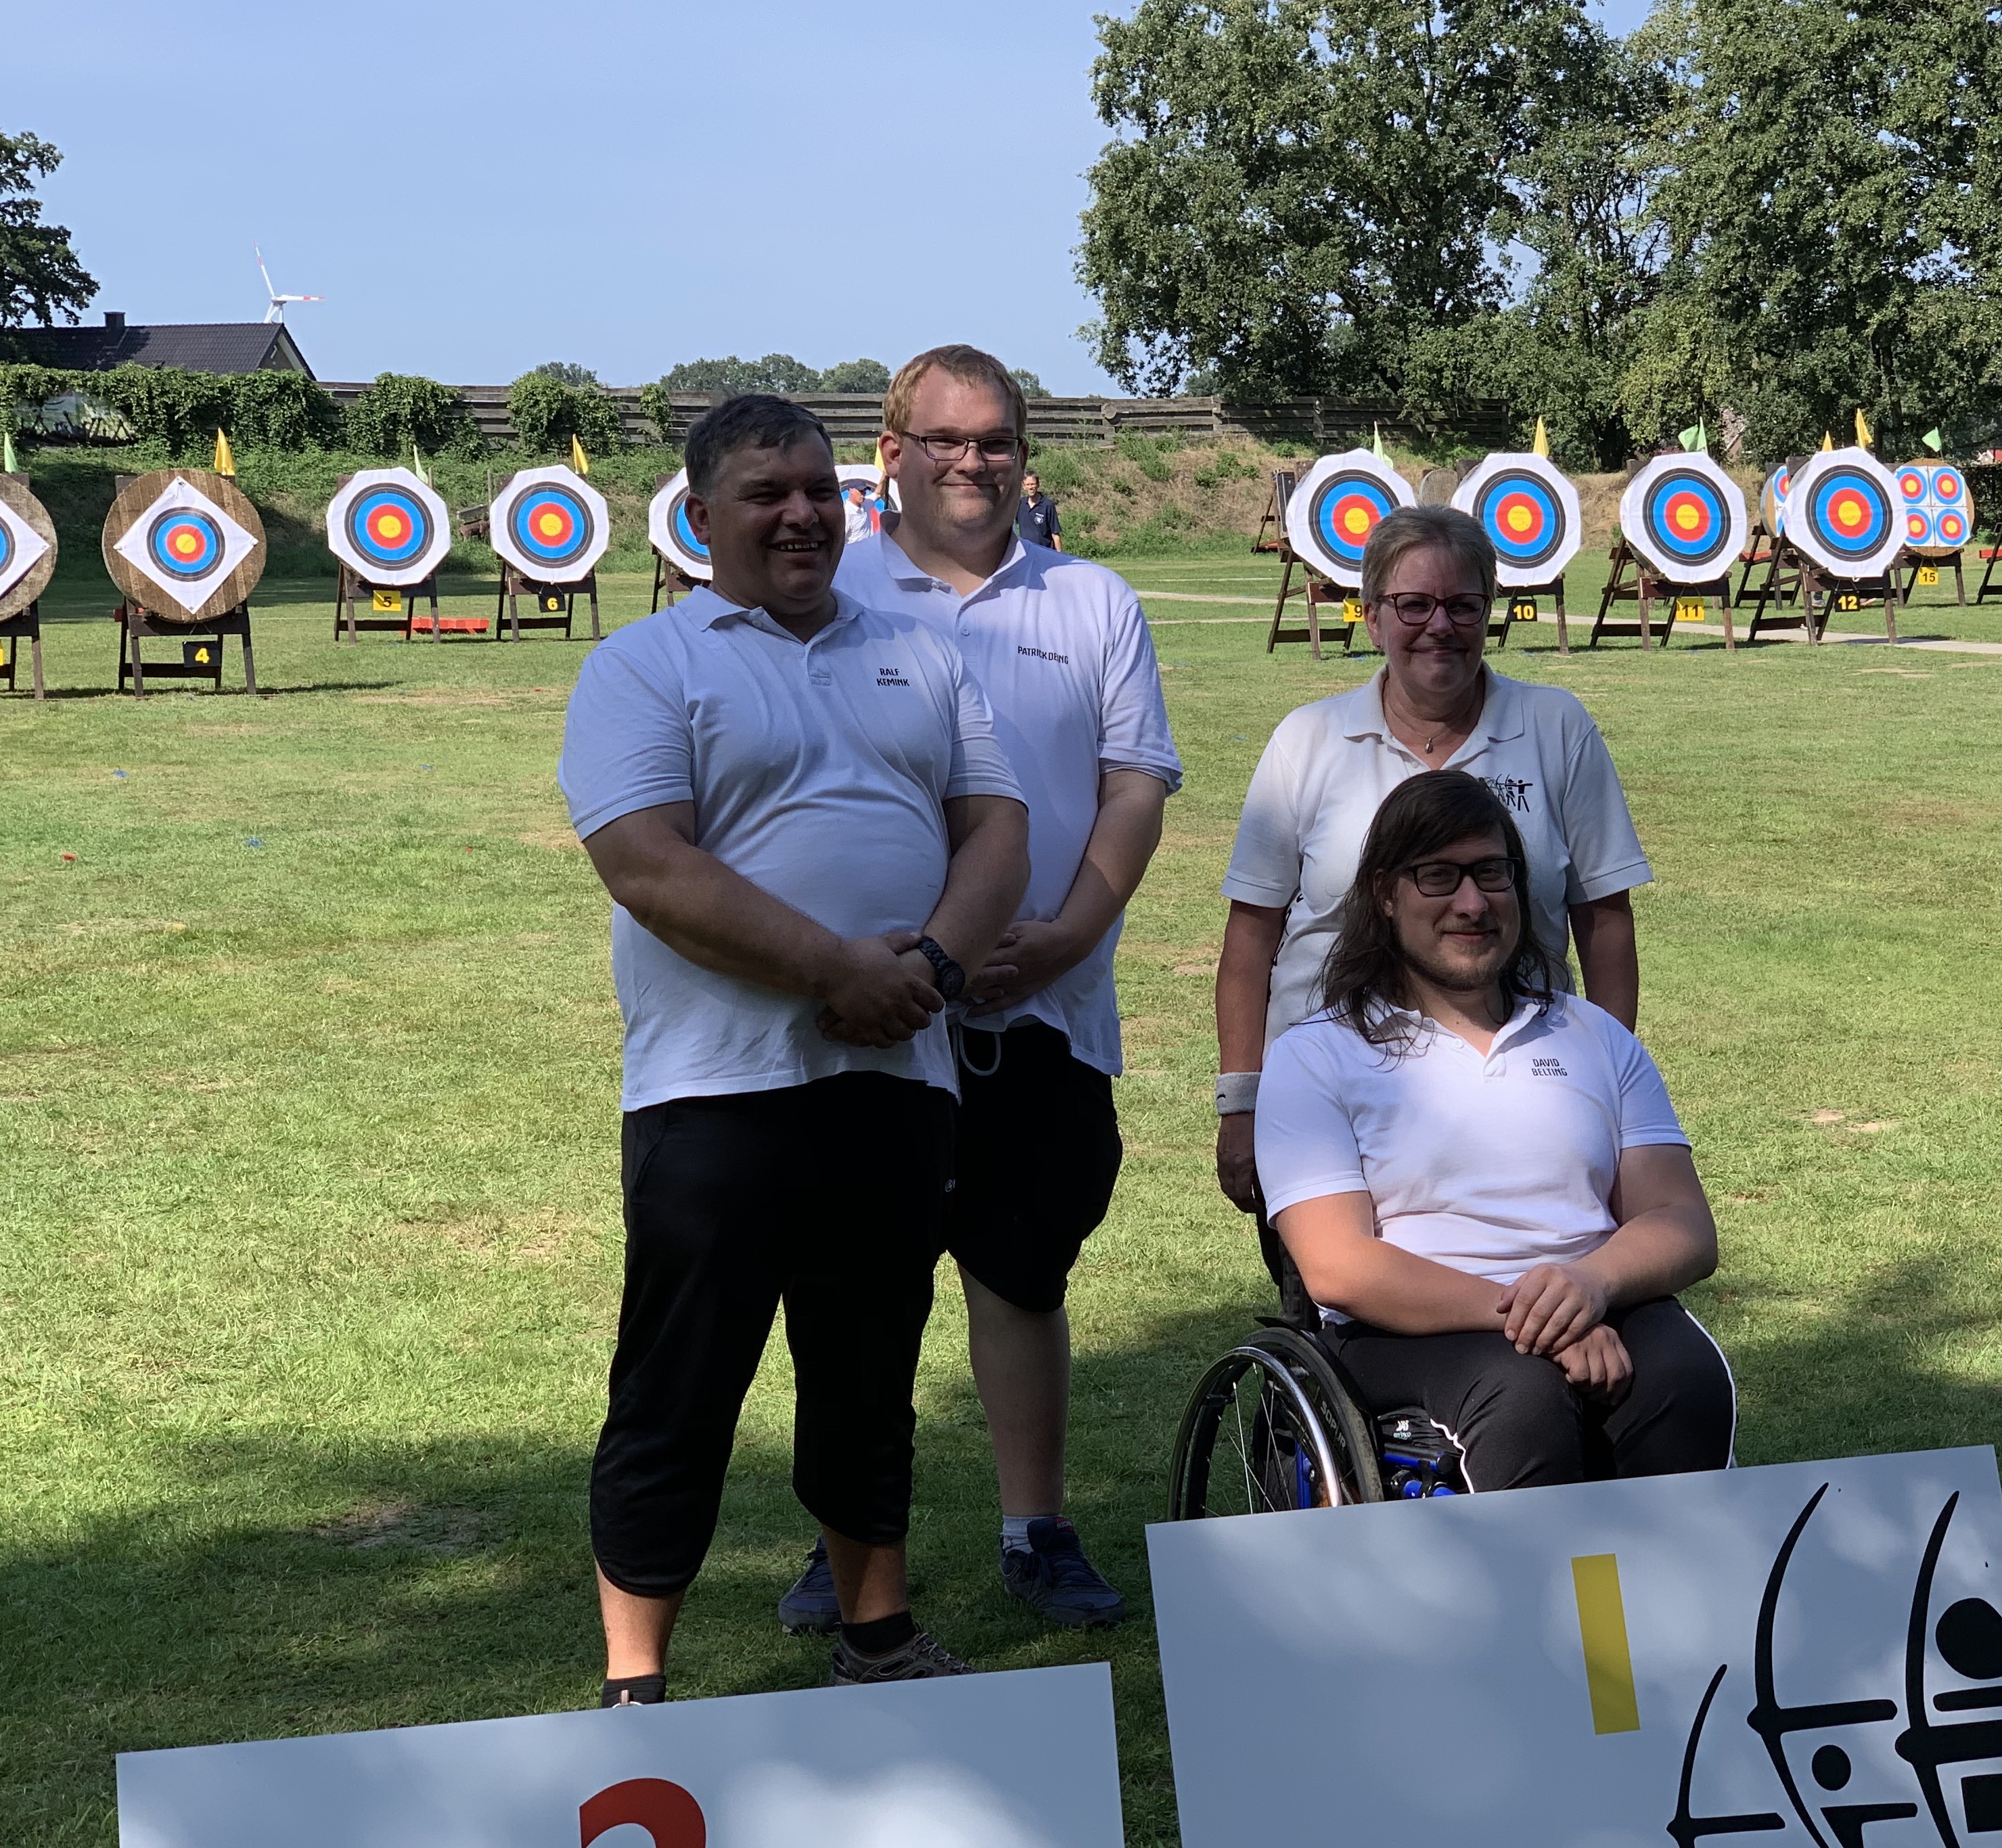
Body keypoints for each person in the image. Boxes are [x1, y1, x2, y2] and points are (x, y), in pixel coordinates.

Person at [558, 392, 1029, 1701]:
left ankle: (877, 1637)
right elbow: (646, 863)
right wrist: (838, 970)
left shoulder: (920, 652)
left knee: (870, 1380)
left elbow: (997, 828)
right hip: (714, 1092)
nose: (802, 514)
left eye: (821, 489)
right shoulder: (645, 665)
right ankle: (634, 1681)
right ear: (700, 513)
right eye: (767, 493)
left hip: (895, 1082)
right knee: (677, 1389)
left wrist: (929, 969)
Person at [780, 344, 1179, 1634]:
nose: (972, 461)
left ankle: (1034, 1528)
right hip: (865, 1016)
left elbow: (1133, 785)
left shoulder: (1092, 599)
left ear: (1024, 455)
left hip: (1041, 1005)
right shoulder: (820, 587)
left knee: (1022, 1271)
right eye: (944, 439)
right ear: (889, 453)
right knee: (856, 1287)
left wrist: (1066, 936)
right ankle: (845, 1539)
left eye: (995, 439)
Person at [1214, 503, 1654, 1311]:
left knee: (1555, 1314)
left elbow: (1604, 917)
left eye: (1462, 605)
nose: (1439, 627)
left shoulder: (1555, 727)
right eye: (1413, 604)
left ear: (1492, 609)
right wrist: (1243, 1104)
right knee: (1347, 1323)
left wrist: (1613, 1091)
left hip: (1524, 1099)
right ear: (1371, 612)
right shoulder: (1307, 740)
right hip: (1337, 1107)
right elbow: (1251, 940)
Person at [1257, 771, 1735, 1487]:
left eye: (1491, 873)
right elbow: (1339, 1266)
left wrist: (1589, 1285)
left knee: (1684, 1376)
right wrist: (1539, 1323)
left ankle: (1671, 1565)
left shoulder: (1594, 1037)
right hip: (1404, 1330)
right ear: (1385, 894)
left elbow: (1684, 1222)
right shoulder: (1316, 1056)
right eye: (1439, 877)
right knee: (1523, 1397)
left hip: (1593, 1293)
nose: (1472, 903)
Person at [1016, 471, 1064, 551]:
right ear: (1024, 487)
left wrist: (1059, 555)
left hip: (1045, 553)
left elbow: (1055, 534)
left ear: (1038, 485)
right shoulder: (1020, 504)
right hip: (1027, 553)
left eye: (1033, 484)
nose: (1030, 487)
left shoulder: (1047, 505)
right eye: (1028, 485)